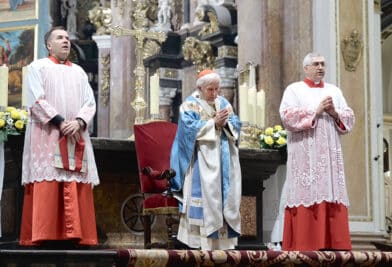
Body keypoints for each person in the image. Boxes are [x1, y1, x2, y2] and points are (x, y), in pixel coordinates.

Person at [19, 26, 99, 247]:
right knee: (49, 176)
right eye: (59, 38)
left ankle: (78, 235)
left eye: (67, 38)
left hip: (75, 134)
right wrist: (60, 122)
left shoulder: (79, 72)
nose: (65, 41)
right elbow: (36, 100)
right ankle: (45, 233)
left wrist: (79, 122)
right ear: (48, 44)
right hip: (48, 134)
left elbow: (89, 103)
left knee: (73, 176)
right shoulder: (37, 67)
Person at [279, 52, 355, 251]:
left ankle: (334, 244)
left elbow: (349, 118)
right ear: (306, 68)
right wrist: (317, 110)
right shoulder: (294, 90)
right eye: (316, 64)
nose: (320, 67)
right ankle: (305, 243)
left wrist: (334, 113)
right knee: (307, 191)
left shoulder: (334, 91)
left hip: (330, 154)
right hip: (305, 153)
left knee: (330, 191)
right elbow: (287, 116)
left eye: (323, 64)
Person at [170, 69, 242, 250]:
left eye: (217, 89)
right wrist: (212, 123)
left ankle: (224, 243)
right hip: (201, 159)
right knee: (207, 195)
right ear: (200, 88)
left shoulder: (223, 103)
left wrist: (226, 123)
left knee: (226, 195)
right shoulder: (190, 105)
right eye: (211, 89)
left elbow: (236, 124)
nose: (215, 93)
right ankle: (201, 242)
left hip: (224, 157)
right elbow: (187, 130)